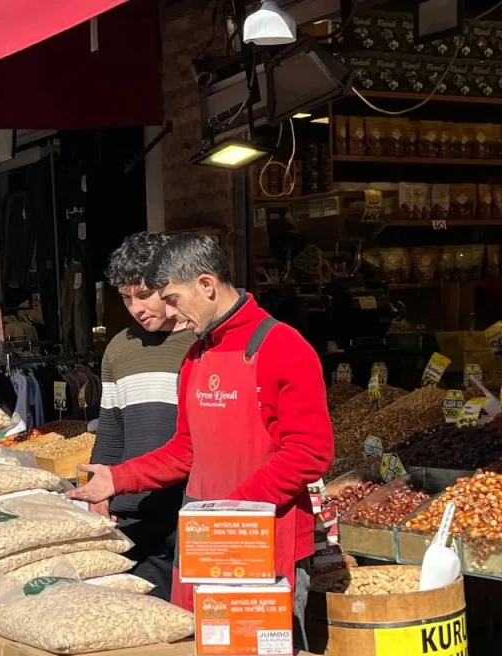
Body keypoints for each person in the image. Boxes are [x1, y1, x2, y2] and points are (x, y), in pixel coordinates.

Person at [70, 234, 334, 634]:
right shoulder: (197, 355)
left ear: (206, 285)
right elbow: (184, 450)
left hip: (264, 541)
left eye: (173, 299)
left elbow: (309, 452)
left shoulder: (283, 346)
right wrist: (118, 478)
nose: (171, 314)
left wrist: (234, 511)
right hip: (203, 543)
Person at [91, 232, 195, 601]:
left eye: (143, 294)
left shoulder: (201, 342)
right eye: (125, 297)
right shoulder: (119, 349)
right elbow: (111, 430)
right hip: (133, 510)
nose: (135, 307)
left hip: (189, 506)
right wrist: (98, 495)